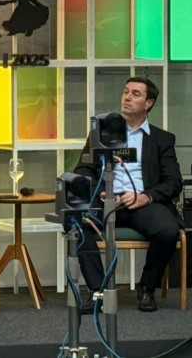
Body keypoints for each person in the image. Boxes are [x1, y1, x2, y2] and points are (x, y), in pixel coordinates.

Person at [74, 77, 182, 313]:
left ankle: (147, 287)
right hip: (106, 201)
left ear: (148, 103)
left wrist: (145, 197)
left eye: (135, 94)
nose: (127, 97)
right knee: (75, 222)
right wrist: (101, 192)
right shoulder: (101, 133)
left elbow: (173, 182)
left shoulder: (162, 139)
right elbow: (82, 171)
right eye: (125, 92)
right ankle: (98, 291)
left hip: (142, 203)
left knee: (168, 230)